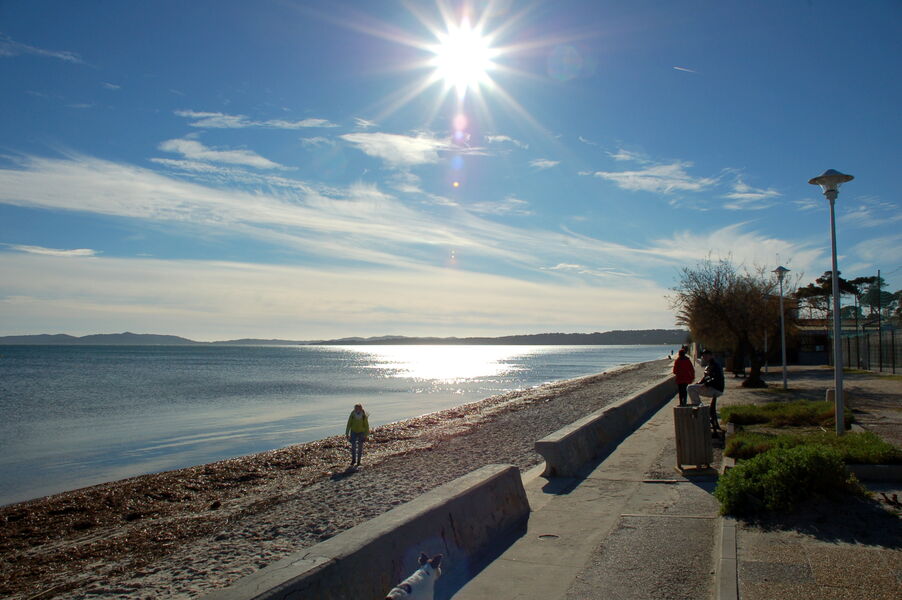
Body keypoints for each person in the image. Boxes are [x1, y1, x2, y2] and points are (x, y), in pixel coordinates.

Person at [687, 349, 725, 431]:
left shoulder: (715, 365)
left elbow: (716, 378)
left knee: (690, 388)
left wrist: (706, 384)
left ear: (711, 355)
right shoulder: (709, 365)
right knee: (692, 387)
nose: (704, 357)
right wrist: (699, 383)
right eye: (704, 355)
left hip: (716, 389)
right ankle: (700, 407)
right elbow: (705, 378)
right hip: (713, 388)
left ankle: (700, 408)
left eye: (707, 355)